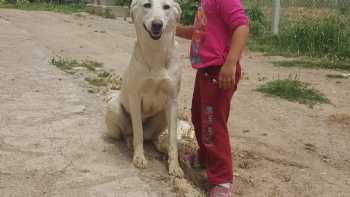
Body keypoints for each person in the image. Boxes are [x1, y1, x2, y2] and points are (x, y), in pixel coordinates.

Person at [176, 0, 249, 196]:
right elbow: (199, 31)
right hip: (206, 71)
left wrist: (231, 63)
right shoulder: (206, 2)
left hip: (220, 71)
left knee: (212, 124)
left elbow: (241, 27)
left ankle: (222, 181)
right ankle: (207, 157)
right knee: (199, 117)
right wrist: (174, 30)